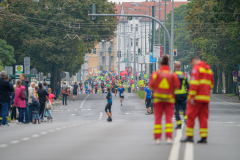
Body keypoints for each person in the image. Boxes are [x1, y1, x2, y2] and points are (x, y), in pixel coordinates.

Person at [181, 56, 214, 144]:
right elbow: (211, 84)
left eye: (192, 64)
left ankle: (189, 136)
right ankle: (204, 137)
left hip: (197, 98)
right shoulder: (209, 70)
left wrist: (191, 97)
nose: (192, 66)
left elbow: (194, 84)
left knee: (190, 116)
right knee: (203, 117)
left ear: (194, 61)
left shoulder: (196, 69)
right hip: (206, 98)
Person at [149, 55, 180, 144]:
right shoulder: (172, 74)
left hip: (158, 100)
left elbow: (151, 86)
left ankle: (157, 139)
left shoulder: (156, 74)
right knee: (168, 119)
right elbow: (177, 86)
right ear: (168, 63)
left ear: (160, 63)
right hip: (169, 100)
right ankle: (169, 138)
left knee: (158, 119)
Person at [173, 61, 189, 129]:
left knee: (176, 110)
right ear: (180, 67)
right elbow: (187, 85)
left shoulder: (173, 75)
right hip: (183, 94)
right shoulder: (184, 75)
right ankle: (186, 120)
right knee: (185, 108)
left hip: (175, 95)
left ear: (174, 67)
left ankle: (179, 124)